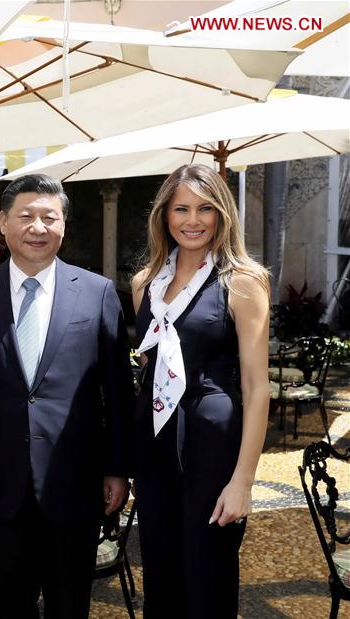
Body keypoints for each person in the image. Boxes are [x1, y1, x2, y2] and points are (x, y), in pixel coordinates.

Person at [0, 174, 134, 618]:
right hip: (0, 479)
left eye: (49, 217)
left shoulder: (97, 292)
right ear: (3, 223)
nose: (38, 227)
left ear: (63, 224)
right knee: (11, 603)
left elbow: (118, 392)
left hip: (75, 480)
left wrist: (118, 468)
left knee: (70, 603)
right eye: (26, 216)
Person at [131, 164, 269, 617]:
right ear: (164, 215)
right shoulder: (144, 284)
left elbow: (257, 387)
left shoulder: (243, 282)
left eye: (205, 209)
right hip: (155, 448)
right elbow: (151, 367)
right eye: (181, 209)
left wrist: (242, 482)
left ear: (222, 214)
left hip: (213, 448)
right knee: (160, 576)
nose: (193, 220)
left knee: (207, 579)